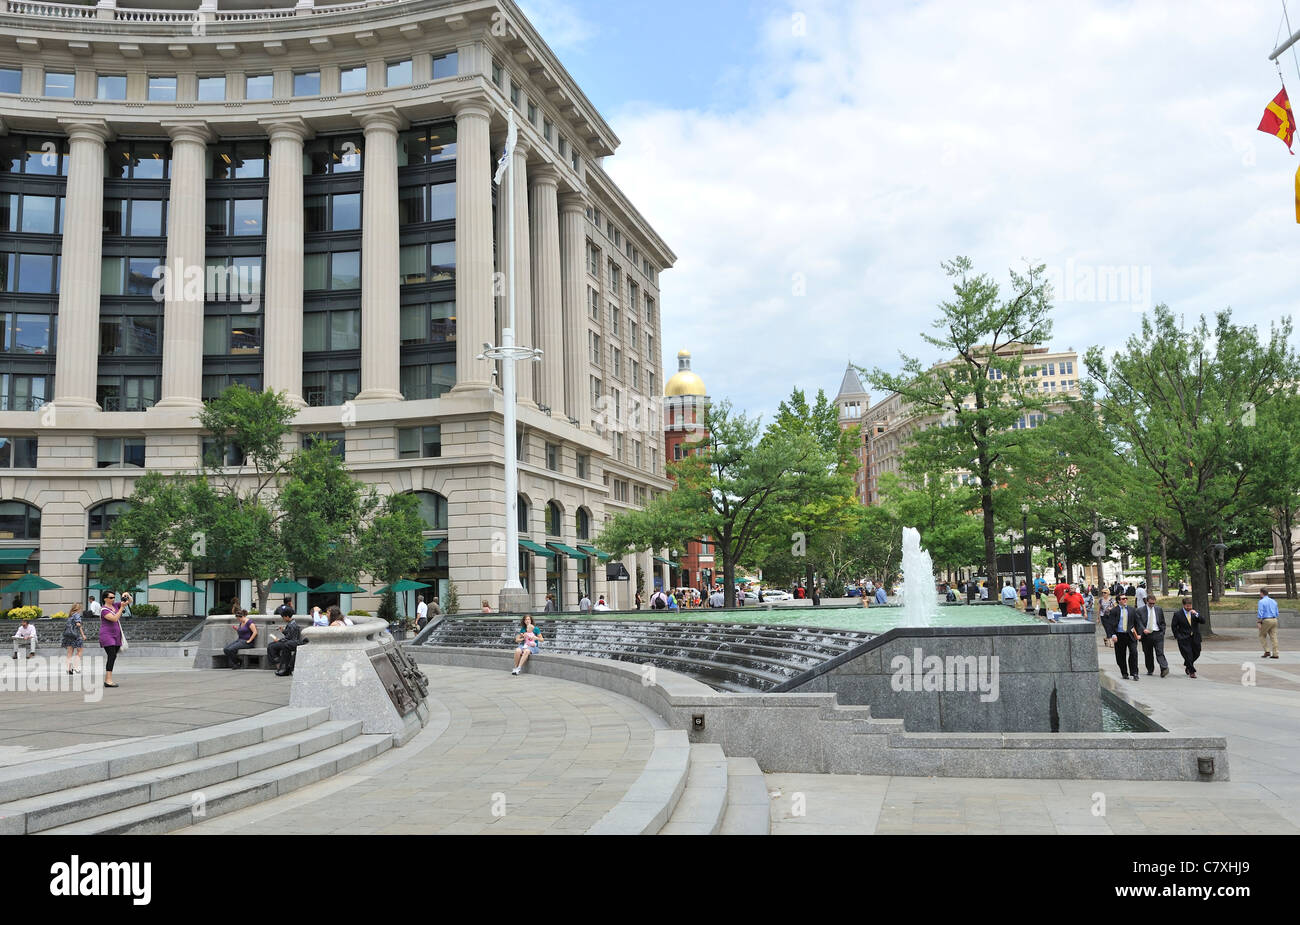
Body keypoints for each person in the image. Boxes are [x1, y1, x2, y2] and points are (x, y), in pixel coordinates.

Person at [1102, 593, 1140, 681]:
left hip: (1130, 635)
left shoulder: (1132, 610)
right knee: (1120, 655)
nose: (1125, 600)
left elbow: (1137, 622)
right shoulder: (1114, 611)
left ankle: (1134, 673)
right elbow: (1110, 624)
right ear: (1119, 601)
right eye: (1123, 599)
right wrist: (1113, 635)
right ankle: (1124, 672)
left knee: (1134, 653)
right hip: (1119, 635)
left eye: (1126, 598)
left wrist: (1139, 633)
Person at [1170, 597, 1205, 678]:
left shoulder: (1195, 612)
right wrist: (1178, 636)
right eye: (1187, 606)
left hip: (1195, 637)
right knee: (1188, 654)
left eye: (1190, 606)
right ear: (1183, 605)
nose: (1189, 608)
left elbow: (1203, 621)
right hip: (1183, 638)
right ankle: (1192, 671)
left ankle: (1188, 665)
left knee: (1197, 653)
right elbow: (1174, 626)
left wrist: (1196, 614)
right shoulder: (1178, 614)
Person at [1136, 596, 1169, 677]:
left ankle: (1164, 668)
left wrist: (1162, 632)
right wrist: (1143, 629)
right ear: (1146, 602)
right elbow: (1138, 623)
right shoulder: (1140, 610)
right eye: (1150, 603)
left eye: (1153, 603)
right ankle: (1150, 669)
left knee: (1160, 652)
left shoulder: (1158, 609)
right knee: (1148, 653)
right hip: (1146, 635)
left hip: (1157, 634)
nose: (1152, 605)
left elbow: (1162, 622)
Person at [267, 606, 304, 677]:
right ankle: (279, 665)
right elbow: (288, 634)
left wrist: (279, 640)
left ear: (287, 616)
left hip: (290, 643)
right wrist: (283, 630)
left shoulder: (292, 625)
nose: (283, 619)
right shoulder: (291, 623)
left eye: (283, 617)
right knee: (271, 645)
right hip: (288, 642)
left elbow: (290, 638)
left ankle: (279, 665)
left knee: (272, 646)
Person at [99, 592, 123, 688]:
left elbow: (129, 601)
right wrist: (121, 608)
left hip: (117, 635)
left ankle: (107, 679)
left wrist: (126, 595)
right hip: (107, 635)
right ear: (105, 599)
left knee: (113, 656)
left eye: (114, 597)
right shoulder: (103, 610)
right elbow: (114, 618)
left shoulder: (115, 605)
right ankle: (108, 680)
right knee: (111, 655)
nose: (113, 599)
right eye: (111, 597)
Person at [62, 604, 87, 674]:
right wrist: (83, 635)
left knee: (69, 653)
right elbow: (78, 625)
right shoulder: (77, 615)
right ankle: (75, 666)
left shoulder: (70, 616)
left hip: (68, 636)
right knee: (80, 651)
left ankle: (69, 668)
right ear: (78, 609)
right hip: (76, 636)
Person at [1257, 588, 1280, 659]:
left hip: (1266, 620)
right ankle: (1275, 653)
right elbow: (1277, 612)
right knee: (1274, 636)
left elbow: (1260, 612)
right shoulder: (1274, 601)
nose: (1259, 594)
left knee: (1261, 635)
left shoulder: (1261, 601)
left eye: (1260, 593)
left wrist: (1259, 621)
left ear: (1262, 593)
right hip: (1274, 619)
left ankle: (1267, 651)